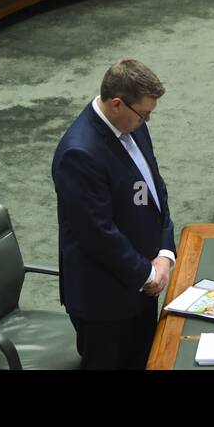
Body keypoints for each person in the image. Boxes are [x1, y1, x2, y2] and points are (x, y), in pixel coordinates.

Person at [52, 60, 175, 370]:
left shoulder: (133, 125)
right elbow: (97, 233)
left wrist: (164, 254)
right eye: (143, 113)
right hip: (104, 301)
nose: (146, 120)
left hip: (142, 284)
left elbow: (155, 189)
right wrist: (147, 275)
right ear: (117, 104)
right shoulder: (79, 153)